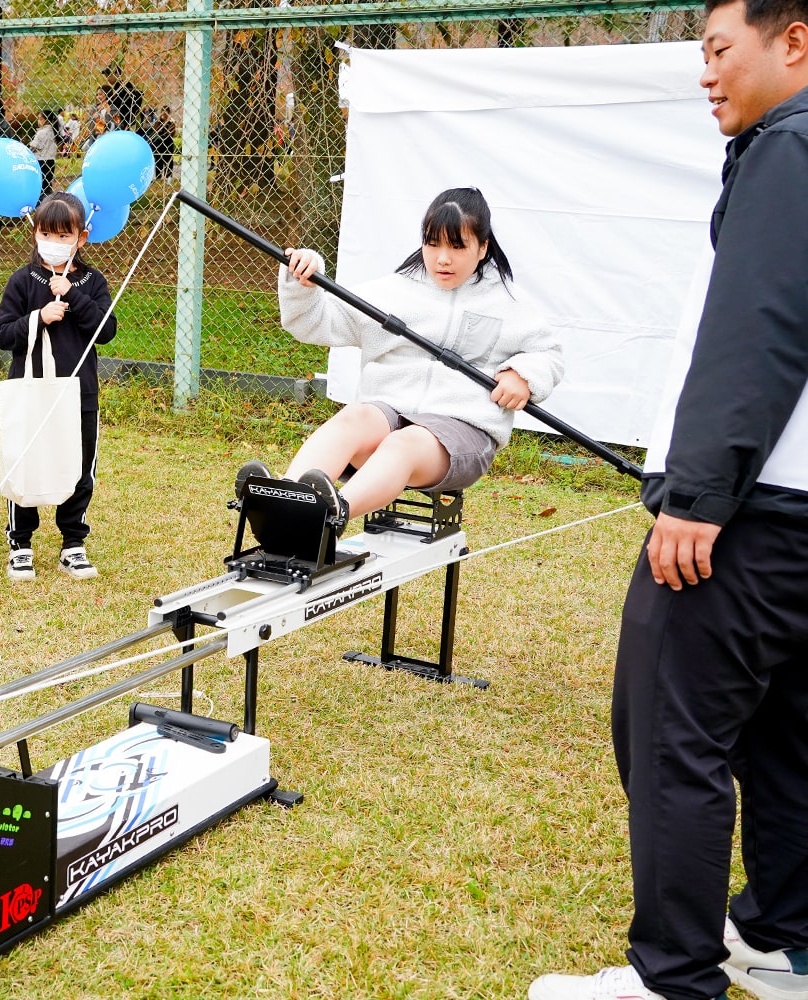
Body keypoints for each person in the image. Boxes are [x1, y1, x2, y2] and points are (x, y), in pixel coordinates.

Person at [529, 1, 808, 998]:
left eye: (720, 50)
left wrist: (698, 491)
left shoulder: (790, 147)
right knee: (784, 733)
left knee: (668, 728)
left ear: (795, 42)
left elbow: (761, 322)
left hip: (756, 510)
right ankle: (783, 938)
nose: (706, 74)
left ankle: (672, 978)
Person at [260, 188, 562, 534]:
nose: (442, 259)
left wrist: (523, 375)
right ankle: (284, 504)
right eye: (433, 244)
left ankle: (328, 518)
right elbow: (313, 322)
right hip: (390, 414)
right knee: (357, 414)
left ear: (483, 248)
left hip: (461, 431)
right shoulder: (395, 292)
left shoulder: (509, 305)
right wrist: (305, 283)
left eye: (457, 246)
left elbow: (549, 355)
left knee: (403, 443)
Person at [0, 192, 116, 582]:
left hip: (78, 392)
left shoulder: (92, 281)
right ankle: (21, 544)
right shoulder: (22, 280)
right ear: (35, 233)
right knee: (25, 459)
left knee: (80, 466)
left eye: (65, 235)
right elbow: (2, 334)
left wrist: (73, 296)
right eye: (47, 233)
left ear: (82, 237)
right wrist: (40, 316)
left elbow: (106, 330)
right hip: (31, 389)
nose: (55, 241)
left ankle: (73, 544)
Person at [101, 66, 143, 132]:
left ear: (117, 74)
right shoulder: (118, 86)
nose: (107, 78)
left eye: (108, 75)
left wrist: (108, 103)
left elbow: (119, 104)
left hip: (125, 121)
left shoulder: (123, 86)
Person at [30, 110, 60, 198]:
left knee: (39, 185)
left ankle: (40, 203)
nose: (38, 121)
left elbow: (33, 147)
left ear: (46, 120)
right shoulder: (54, 131)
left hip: (40, 161)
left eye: (40, 119)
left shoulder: (41, 132)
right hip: (50, 161)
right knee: (47, 185)